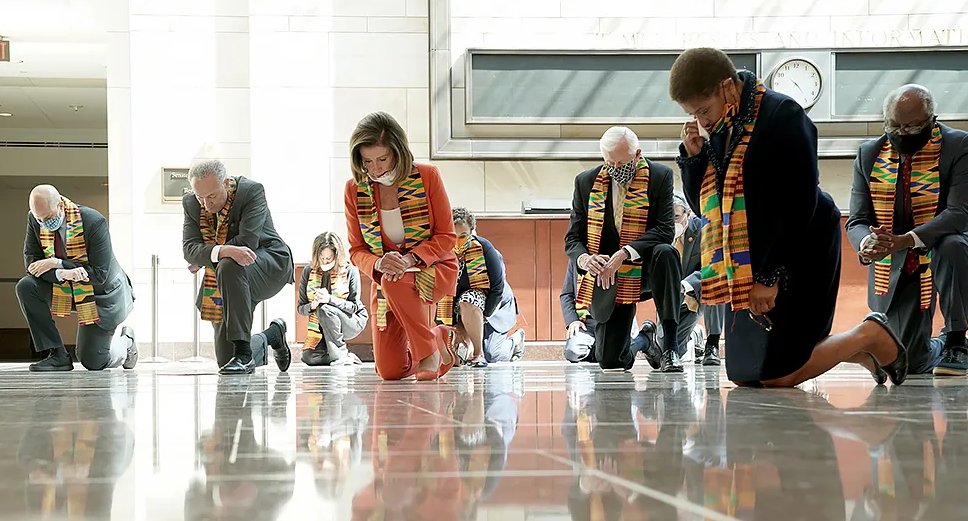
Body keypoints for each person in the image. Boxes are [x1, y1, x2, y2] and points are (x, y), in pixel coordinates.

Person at [671, 47, 908, 387]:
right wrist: (694, 161)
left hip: (800, 246)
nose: (701, 121)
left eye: (703, 110)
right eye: (693, 114)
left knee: (776, 375)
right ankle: (861, 352)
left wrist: (769, 276)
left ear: (726, 86)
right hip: (748, 256)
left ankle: (869, 335)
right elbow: (706, 209)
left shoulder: (783, 115)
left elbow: (800, 203)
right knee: (743, 374)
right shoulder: (721, 127)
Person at [846, 84, 968, 378]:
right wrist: (867, 243)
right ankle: (937, 346)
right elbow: (857, 221)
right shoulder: (868, 154)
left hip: (944, 246)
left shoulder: (958, 146)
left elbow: (959, 213)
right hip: (896, 260)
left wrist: (906, 240)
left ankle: (956, 341)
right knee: (909, 363)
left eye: (912, 128)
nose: (901, 134)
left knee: (951, 245)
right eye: (894, 126)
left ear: (931, 121)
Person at [344, 111, 458, 381]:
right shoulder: (353, 189)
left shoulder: (428, 176)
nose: (375, 168)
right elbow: (356, 250)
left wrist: (410, 260)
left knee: (393, 280)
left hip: (433, 266)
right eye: (367, 160)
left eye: (382, 159)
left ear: (398, 151)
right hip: (385, 275)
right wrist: (378, 263)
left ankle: (428, 352)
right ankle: (437, 337)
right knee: (389, 372)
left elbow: (447, 237)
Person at [565, 126, 684, 373]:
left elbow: (665, 230)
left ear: (638, 154)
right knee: (609, 361)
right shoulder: (586, 182)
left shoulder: (660, 176)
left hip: (649, 268)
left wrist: (626, 252)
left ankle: (671, 348)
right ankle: (644, 341)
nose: (617, 169)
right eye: (611, 163)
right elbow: (573, 239)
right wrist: (586, 259)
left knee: (666, 252)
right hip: (610, 276)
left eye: (623, 163)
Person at [182, 159, 294, 375]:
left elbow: (247, 244)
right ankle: (272, 335)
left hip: (267, 263)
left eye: (212, 196)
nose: (206, 204)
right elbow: (189, 249)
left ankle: (244, 354)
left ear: (225, 183)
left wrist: (207, 255)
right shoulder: (191, 204)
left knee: (230, 264)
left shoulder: (251, 192)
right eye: (200, 197)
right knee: (225, 360)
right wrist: (220, 252)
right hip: (227, 276)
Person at [17, 185, 137, 372]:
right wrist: (62, 273)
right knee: (26, 287)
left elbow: (99, 274)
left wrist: (57, 263)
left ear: (60, 205)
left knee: (93, 362)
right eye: (38, 219)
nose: (43, 223)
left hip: (101, 293)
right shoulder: (35, 219)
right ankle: (57, 355)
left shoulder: (93, 221)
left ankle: (126, 343)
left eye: (47, 218)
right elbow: (32, 265)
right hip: (66, 285)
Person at [632, 192, 727, 366]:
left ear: (688, 214)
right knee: (666, 354)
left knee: (717, 283)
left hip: (698, 292)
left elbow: (713, 266)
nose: (672, 222)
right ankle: (695, 334)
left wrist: (686, 284)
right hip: (672, 300)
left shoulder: (703, 229)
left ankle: (711, 342)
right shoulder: (659, 232)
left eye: (676, 216)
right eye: (668, 217)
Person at [436, 207, 525, 367]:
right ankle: (470, 345)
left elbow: (497, 289)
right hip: (463, 311)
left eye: (463, 236)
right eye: (453, 236)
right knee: (456, 356)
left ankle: (512, 343)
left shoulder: (486, 250)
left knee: (494, 354)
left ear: (472, 231)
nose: (458, 242)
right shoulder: (442, 253)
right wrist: (456, 328)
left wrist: (479, 319)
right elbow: (441, 292)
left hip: (493, 308)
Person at [297, 231, 366, 366]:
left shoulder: (350, 270)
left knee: (325, 309)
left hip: (351, 321)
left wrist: (329, 299)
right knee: (308, 358)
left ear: (336, 255)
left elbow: (354, 307)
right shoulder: (308, 271)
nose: (325, 261)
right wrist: (313, 305)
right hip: (322, 325)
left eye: (328, 258)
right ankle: (345, 357)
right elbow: (301, 308)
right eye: (322, 258)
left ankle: (339, 353)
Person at [559, 258, 641, 363]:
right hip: (586, 322)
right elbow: (567, 294)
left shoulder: (619, 256)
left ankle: (643, 340)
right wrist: (572, 320)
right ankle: (602, 352)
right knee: (573, 352)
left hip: (614, 319)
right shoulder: (577, 258)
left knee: (621, 354)